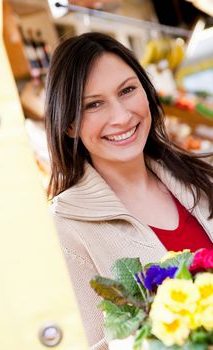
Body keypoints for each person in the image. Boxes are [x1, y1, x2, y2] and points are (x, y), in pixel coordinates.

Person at [45, 32, 213, 349]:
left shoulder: (202, 176)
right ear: (69, 125)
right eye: (94, 104)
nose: (121, 117)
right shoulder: (66, 228)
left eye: (127, 90)